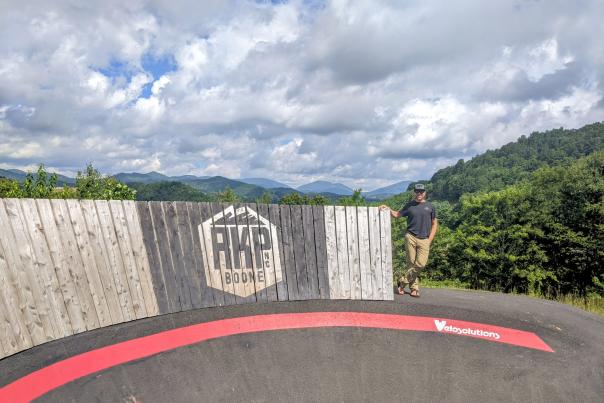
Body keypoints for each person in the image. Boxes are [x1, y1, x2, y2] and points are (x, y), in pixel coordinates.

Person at [379, 183, 438, 298]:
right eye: (417, 191)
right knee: (411, 264)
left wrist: (429, 240)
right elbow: (397, 214)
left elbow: (434, 223)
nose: (419, 193)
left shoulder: (430, 206)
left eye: (421, 192)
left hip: (424, 239)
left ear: (425, 193)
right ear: (414, 193)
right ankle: (414, 289)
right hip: (410, 236)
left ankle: (402, 282)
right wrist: (387, 208)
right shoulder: (409, 205)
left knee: (420, 264)